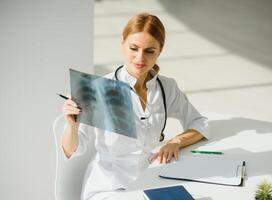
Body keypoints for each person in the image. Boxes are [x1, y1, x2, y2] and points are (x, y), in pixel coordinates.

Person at [61, 12, 209, 200]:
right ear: (122, 42)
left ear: (160, 50)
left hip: (150, 180)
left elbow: (199, 123)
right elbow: (72, 149)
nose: (140, 58)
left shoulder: (166, 88)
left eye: (149, 51)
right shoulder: (99, 90)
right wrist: (71, 124)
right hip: (109, 188)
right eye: (134, 48)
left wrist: (176, 142)